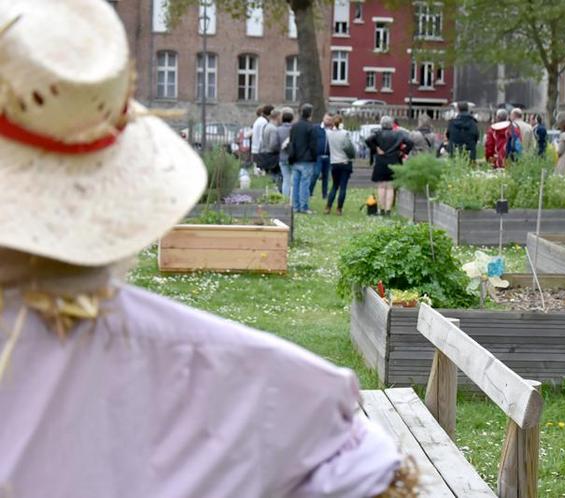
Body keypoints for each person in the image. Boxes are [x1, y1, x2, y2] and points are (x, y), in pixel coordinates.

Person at [0, 2, 411, 497]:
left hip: (292, 169)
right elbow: (361, 469)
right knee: (300, 190)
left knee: (297, 190)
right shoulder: (238, 381)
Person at [366, 116, 413, 216]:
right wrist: (403, 151)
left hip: (381, 162)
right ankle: (388, 211)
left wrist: (376, 148)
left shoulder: (377, 133)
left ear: (381, 124)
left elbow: (368, 140)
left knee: (381, 187)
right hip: (394, 161)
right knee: (390, 187)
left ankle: (382, 209)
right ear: (392, 124)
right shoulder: (398, 134)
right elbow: (410, 142)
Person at [289, 104, 318, 214]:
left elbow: (291, 142)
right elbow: (313, 145)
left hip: (295, 157)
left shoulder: (294, 126)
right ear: (310, 114)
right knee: (305, 184)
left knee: (295, 184)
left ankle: (295, 206)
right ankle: (304, 206)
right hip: (307, 159)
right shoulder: (311, 127)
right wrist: (314, 157)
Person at [325, 116, 356, 215]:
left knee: (334, 186)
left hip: (334, 162)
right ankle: (339, 208)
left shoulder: (329, 134)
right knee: (343, 187)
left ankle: (328, 207)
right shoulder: (345, 133)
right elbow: (350, 147)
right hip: (345, 162)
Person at [310, 113, 334, 198]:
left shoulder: (333, 130)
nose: (328, 121)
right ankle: (310, 191)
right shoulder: (316, 128)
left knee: (326, 176)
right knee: (315, 173)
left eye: (330, 120)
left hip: (328, 155)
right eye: (327, 119)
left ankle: (324, 194)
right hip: (318, 155)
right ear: (323, 118)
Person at [258, 108, 282, 190]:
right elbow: (273, 145)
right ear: (278, 117)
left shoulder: (266, 126)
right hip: (272, 157)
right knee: (277, 177)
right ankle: (277, 190)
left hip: (265, 154)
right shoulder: (273, 129)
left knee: (271, 177)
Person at [277, 107, 294, 198]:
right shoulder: (294, 129)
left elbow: (275, 143)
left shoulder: (278, 130)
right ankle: (292, 198)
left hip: (282, 156)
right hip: (293, 157)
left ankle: (285, 198)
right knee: (293, 180)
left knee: (285, 179)